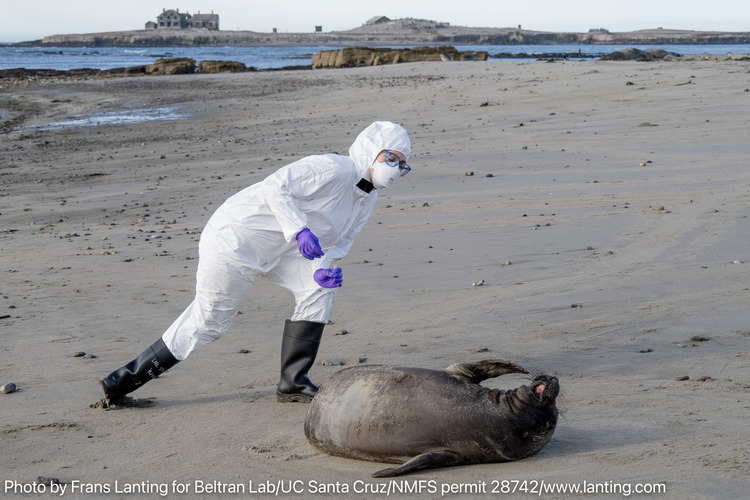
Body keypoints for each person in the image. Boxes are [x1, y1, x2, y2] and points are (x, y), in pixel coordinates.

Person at [98, 121, 412, 406]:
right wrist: (299, 228)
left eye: (403, 164)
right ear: (372, 150)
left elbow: (339, 243)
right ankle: (122, 381)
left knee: (318, 291)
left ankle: (293, 382)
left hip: (280, 252)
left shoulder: (366, 198)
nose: (396, 168)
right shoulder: (331, 168)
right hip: (235, 240)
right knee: (209, 322)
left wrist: (322, 270)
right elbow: (275, 187)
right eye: (391, 158)